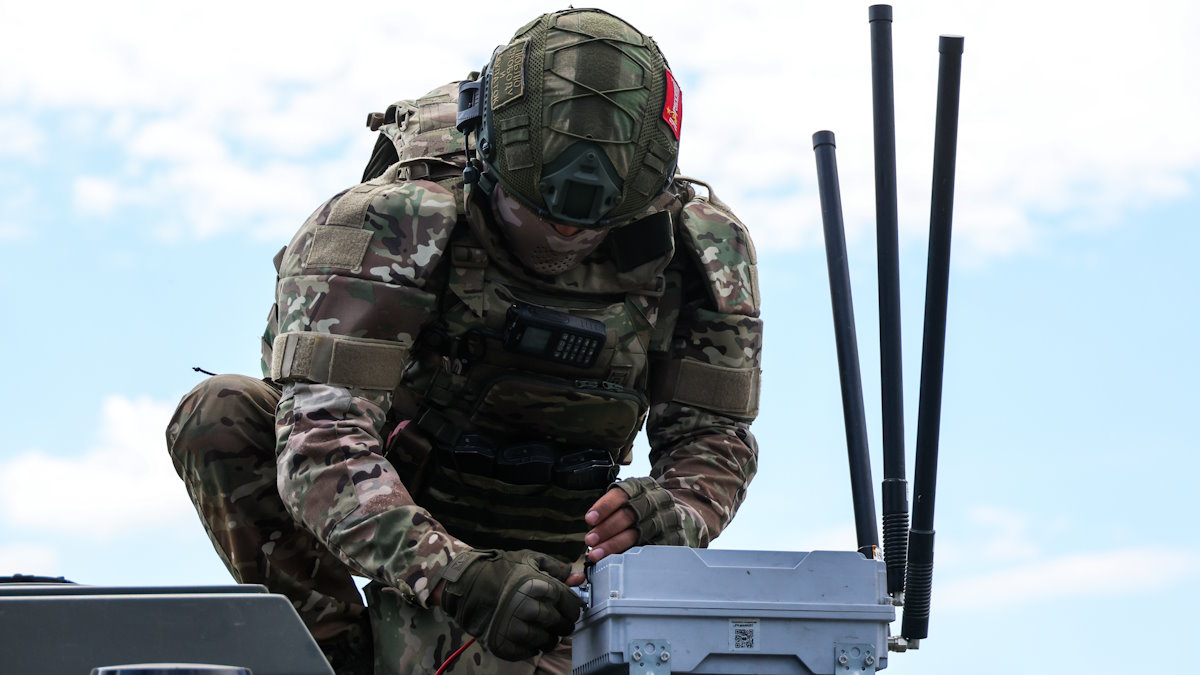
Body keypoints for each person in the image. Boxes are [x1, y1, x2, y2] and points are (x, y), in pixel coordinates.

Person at [166, 7, 762, 675]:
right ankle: (339, 659)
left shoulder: (698, 245)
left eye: (591, 227)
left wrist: (669, 517)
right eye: (538, 213)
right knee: (220, 415)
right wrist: (456, 575)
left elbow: (715, 439)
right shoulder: (392, 223)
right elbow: (321, 441)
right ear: (488, 157)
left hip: (573, 558)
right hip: (405, 520)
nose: (564, 239)